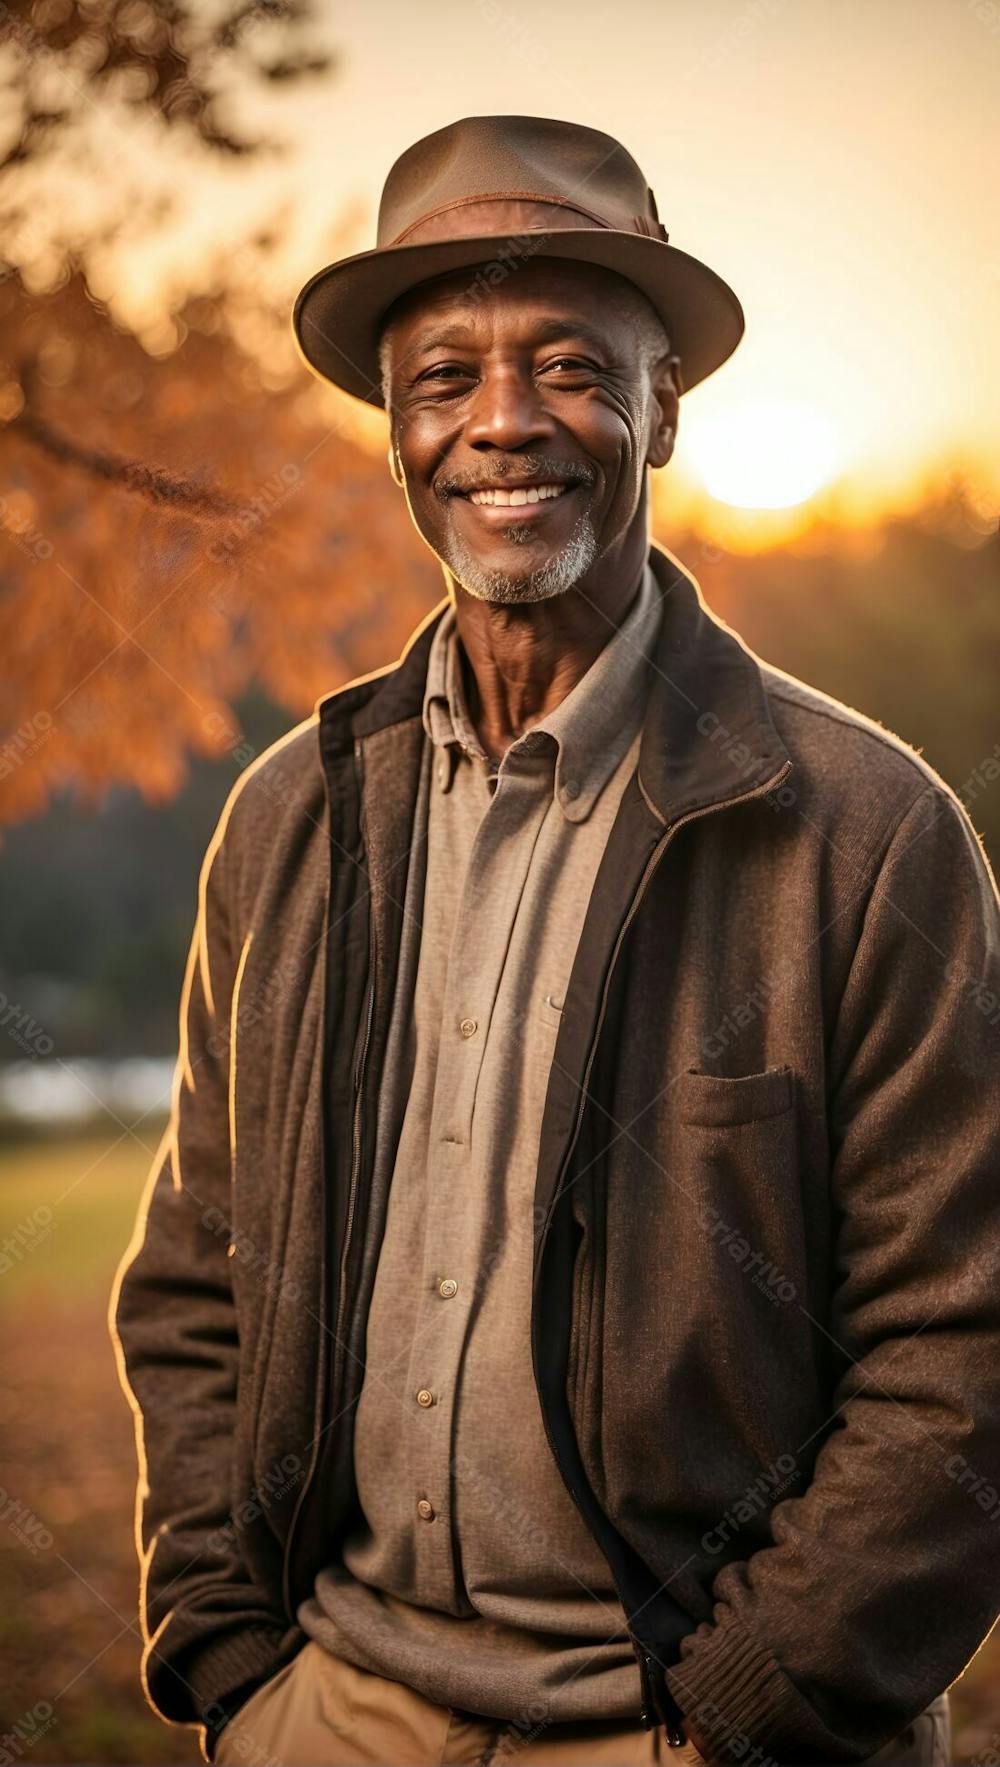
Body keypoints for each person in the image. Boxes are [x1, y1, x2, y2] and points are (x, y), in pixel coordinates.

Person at [110, 115, 1000, 1767]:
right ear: (395, 427)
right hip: (332, 1711)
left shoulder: (867, 833)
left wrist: (749, 1710)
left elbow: (964, 1351)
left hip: (689, 1735)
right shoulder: (286, 824)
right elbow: (192, 1279)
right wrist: (235, 1668)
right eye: (444, 375)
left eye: (574, 364)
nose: (503, 421)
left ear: (666, 404)